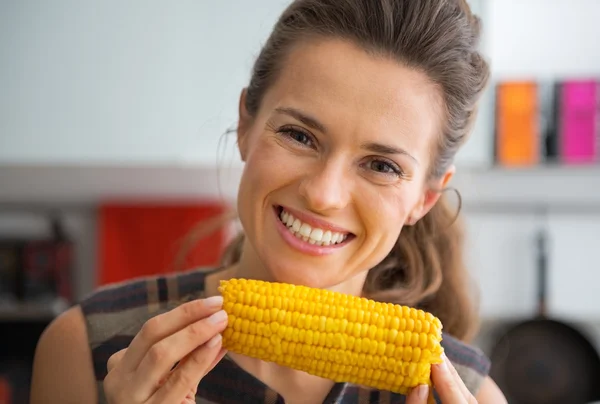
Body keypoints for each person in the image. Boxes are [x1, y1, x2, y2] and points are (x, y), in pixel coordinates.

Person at [30, 0, 508, 402]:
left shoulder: (471, 393)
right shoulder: (84, 348)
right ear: (245, 126)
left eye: (382, 166)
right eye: (299, 135)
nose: (323, 194)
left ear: (423, 199)